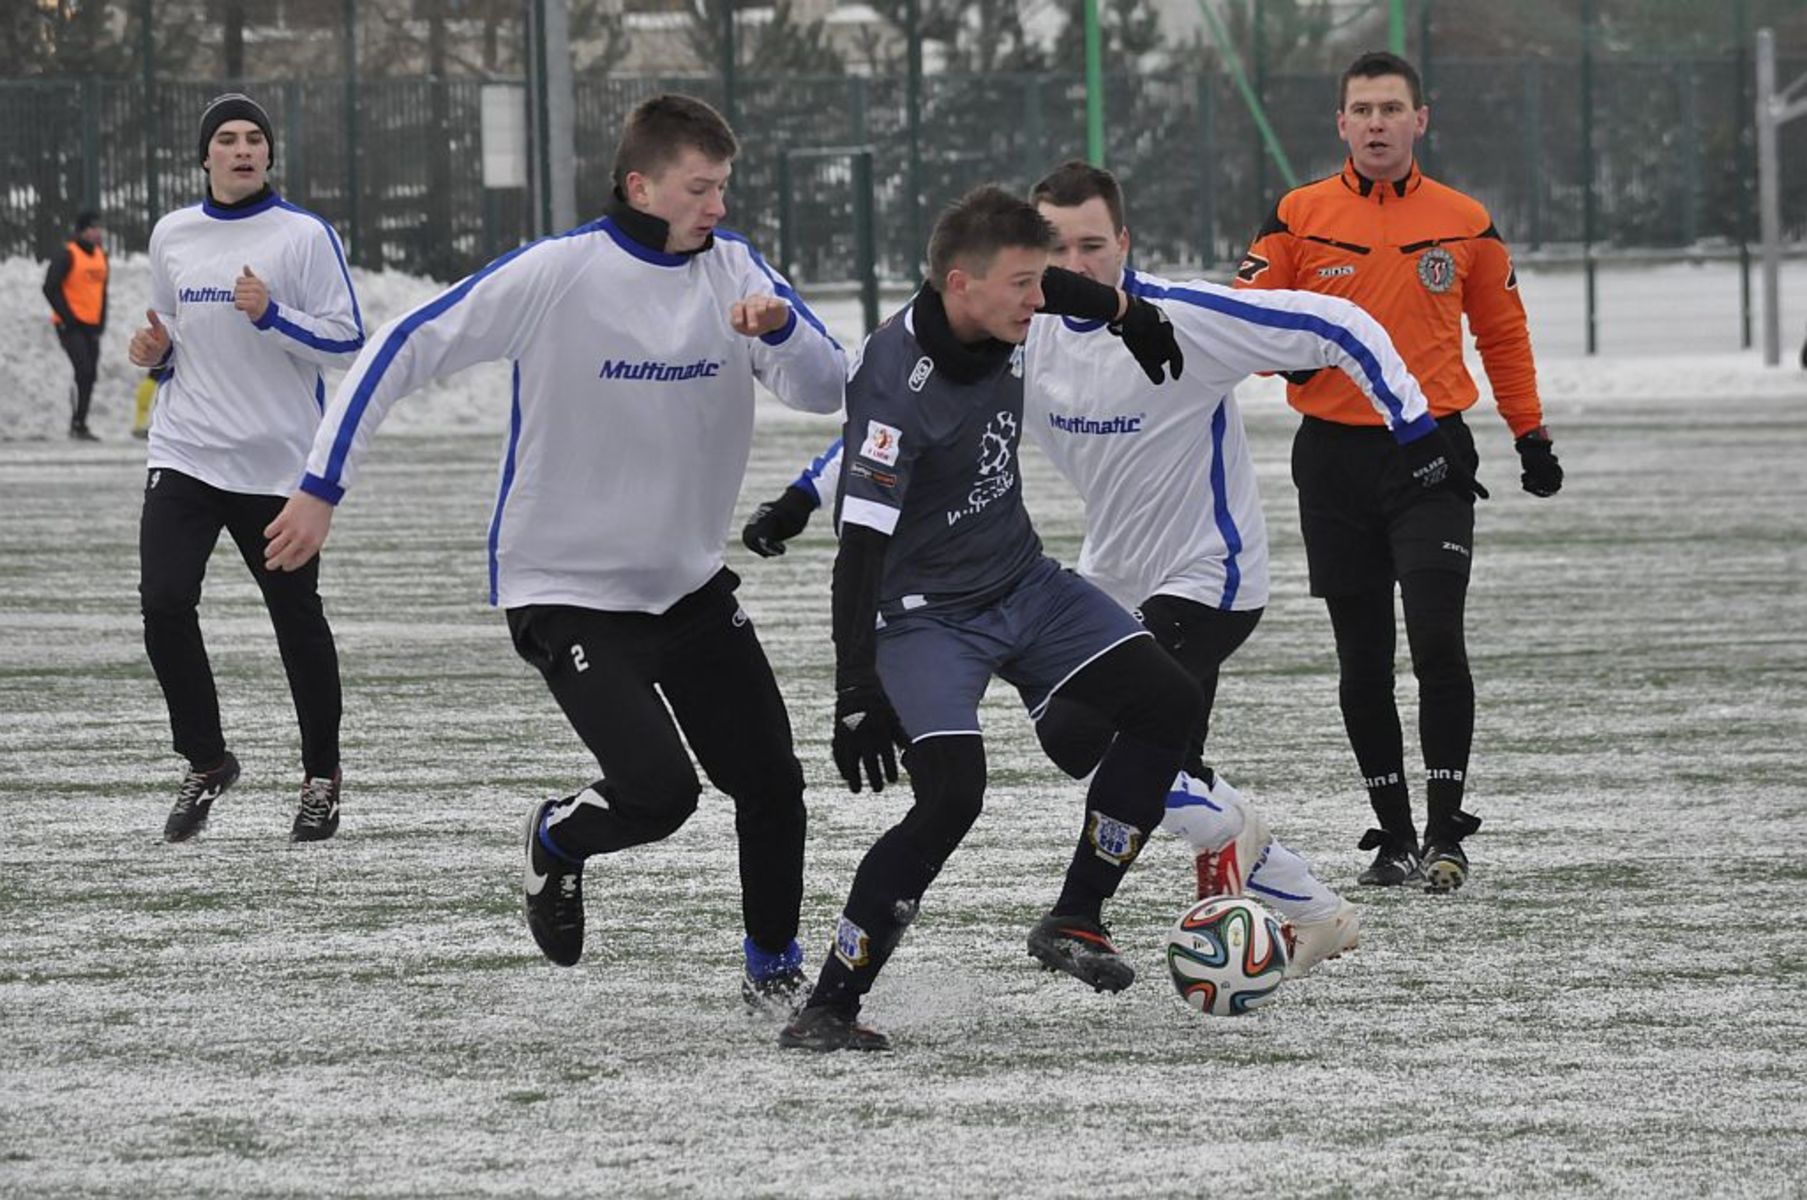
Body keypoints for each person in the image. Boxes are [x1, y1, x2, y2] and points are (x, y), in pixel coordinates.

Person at [748, 160, 1457, 975]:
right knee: (1111, 754)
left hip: (1208, 575)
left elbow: (1339, 323)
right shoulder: (1022, 326)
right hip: (1107, 578)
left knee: (1103, 730)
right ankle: (1301, 898)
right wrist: (803, 496)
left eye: (1093, 246)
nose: (1073, 268)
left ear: (1123, 241)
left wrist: (1416, 431)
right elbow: (906, 422)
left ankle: (1089, 911)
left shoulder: (1182, 317)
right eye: (1055, 254)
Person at [262, 94, 845, 1012]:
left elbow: (826, 389)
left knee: (771, 781)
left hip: (687, 588)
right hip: (565, 589)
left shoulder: (736, 271)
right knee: (659, 795)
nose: (718, 207)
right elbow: (400, 348)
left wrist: (779, 329)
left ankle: (772, 966)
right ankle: (558, 843)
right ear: (640, 184)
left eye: (724, 187)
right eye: (701, 188)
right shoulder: (559, 273)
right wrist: (319, 487)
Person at [775, 184, 1204, 1053]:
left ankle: (1076, 917)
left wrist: (1128, 312)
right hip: (925, 616)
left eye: (1038, 281)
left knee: (1168, 700)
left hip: (1024, 582)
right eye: (1020, 284)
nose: (1037, 299)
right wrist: (854, 687)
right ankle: (828, 1005)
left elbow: (1066, 289)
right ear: (958, 285)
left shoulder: (1004, 306)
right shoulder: (896, 385)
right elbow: (858, 551)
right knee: (952, 797)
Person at [1235, 51, 1564, 894]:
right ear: (1340, 125)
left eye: (1391, 108)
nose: (1376, 122)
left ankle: (1448, 828)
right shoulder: (1295, 215)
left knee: (1436, 642)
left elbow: (1502, 335)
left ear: (1421, 120)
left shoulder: (1465, 221)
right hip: (1332, 462)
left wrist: (1529, 434)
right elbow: (1252, 321)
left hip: (1432, 457)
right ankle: (1393, 834)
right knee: (1362, 662)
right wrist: (1297, 372)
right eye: (1361, 109)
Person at [126, 93, 363, 845]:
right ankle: (205, 759)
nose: (240, 149)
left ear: (268, 154)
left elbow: (346, 341)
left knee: (295, 620)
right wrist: (158, 356)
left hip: (275, 465)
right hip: (186, 451)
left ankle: (320, 777)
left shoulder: (302, 236)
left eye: (253, 138)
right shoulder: (173, 234)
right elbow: (174, 340)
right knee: (164, 602)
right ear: (205, 156)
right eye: (225, 139)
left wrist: (273, 316)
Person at [44, 209, 108, 440]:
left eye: (98, 227)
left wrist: (101, 322)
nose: (96, 232)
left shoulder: (101, 255)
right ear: (81, 231)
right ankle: (78, 421)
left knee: (89, 375)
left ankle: (80, 423)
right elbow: (49, 287)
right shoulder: (67, 254)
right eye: (92, 228)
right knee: (84, 370)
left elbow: (103, 292)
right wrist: (67, 318)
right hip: (71, 325)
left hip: (91, 326)